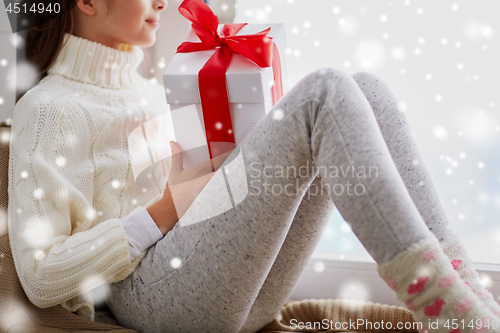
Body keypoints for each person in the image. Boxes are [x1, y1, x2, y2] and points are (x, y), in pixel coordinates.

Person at [7, 0, 500, 332]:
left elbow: (192, 199)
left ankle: (468, 296)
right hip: (142, 298)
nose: (161, 1)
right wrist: (163, 209)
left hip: (225, 287)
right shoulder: (49, 110)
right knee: (324, 90)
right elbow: (41, 275)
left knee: (366, 89)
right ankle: (445, 307)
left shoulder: (147, 90)